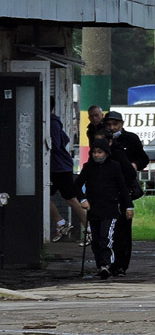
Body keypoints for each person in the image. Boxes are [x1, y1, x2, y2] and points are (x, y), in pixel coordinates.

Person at [77, 137, 133, 280]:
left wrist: (128, 206)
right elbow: (76, 185)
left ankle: (106, 264)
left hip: (110, 208)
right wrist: (83, 199)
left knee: (105, 236)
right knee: (96, 239)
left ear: (106, 153)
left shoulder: (114, 166)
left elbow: (122, 187)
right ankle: (100, 264)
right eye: (94, 152)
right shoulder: (88, 167)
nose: (97, 155)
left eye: (100, 152)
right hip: (94, 209)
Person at [90, 128, 141, 275]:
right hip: (101, 201)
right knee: (101, 234)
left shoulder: (117, 155)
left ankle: (118, 264)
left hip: (119, 199)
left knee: (118, 234)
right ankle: (104, 263)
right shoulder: (95, 159)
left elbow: (129, 174)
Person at [48, 100, 86, 242]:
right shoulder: (54, 122)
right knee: (67, 198)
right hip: (60, 166)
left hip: (58, 168)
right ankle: (67, 223)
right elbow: (66, 139)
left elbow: (56, 145)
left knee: (68, 198)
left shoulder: (51, 123)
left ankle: (66, 223)